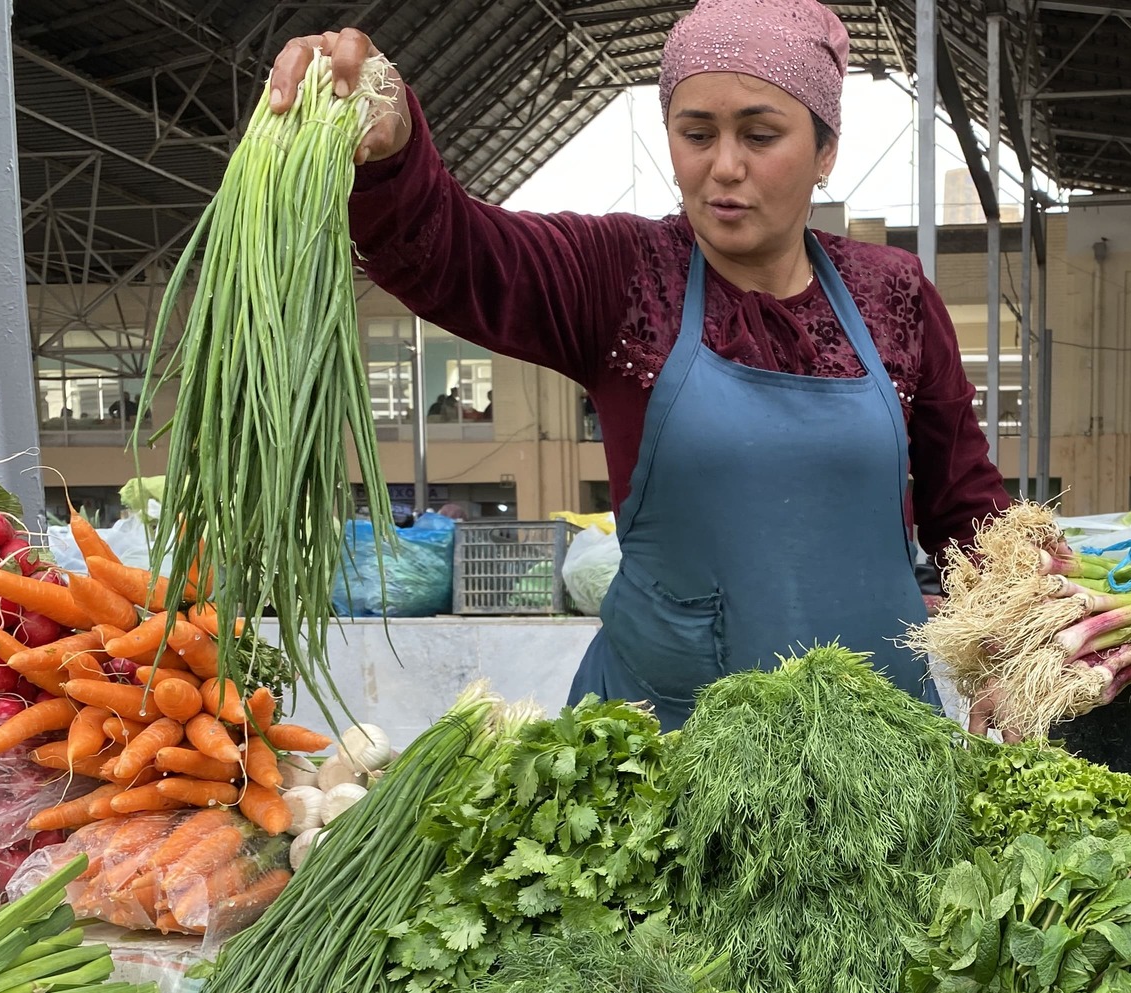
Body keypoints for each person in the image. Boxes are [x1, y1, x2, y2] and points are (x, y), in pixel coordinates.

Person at [267, 1, 1007, 728]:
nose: (723, 167)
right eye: (696, 133)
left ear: (824, 151)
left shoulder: (894, 293)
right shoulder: (622, 275)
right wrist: (394, 152)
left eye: (760, 134)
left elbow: (968, 510)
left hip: (879, 746)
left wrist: (1020, 648)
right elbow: (460, 255)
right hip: (665, 746)